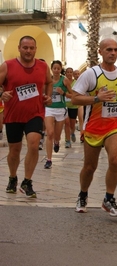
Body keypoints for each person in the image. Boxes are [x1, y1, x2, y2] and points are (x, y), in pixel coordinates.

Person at [72, 38, 117, 217]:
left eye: (115, 50)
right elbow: (74, 98)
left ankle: (109, 198)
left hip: (113, 125)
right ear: (100, 52)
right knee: (90, 167)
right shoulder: (91, 74)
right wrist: (97, 99)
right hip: (93, 127)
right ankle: (82, 194)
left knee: (115, 160)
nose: (113, 53)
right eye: (109, 50)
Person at [0, 35, 52, 197]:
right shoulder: (7, 66)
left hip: (35, 113)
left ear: (35, 49)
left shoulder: (43, 66)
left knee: (34, 144)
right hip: (13, 114)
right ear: (19, 48)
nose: (28, 51)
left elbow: (49, 82)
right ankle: (13, 177)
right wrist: (2, 94)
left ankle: (27, 181)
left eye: (31, 48)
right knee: (14, 150)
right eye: (25, 47)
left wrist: (48, 96)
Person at [44, 60, 72, 169]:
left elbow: (73, 95)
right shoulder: (48, 80)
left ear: (61, 70)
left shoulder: (64, 81)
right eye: (54, 68)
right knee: (50, 133)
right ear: (51, 69)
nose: (56, 70)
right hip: (49, 109)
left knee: (57, 134)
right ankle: (49, 159)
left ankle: (57, 142)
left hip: (60, 109)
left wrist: (63, 93)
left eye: (58, 69)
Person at [64, 67, 79, 148]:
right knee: (66, 123)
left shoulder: (76, 82)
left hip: (73, 106)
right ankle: (67, 140)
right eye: (68, 72)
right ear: (65, 73)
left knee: (72, 125)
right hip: (65, 106)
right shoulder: (63, 81)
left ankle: (72, 133)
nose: (69, 73)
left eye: (71, 72)